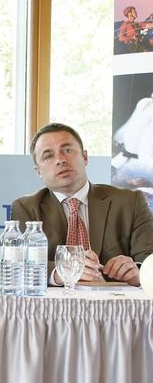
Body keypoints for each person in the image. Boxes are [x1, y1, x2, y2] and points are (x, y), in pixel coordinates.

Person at [11, 122, 153, 286]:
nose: (60, 160)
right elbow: (19, 265)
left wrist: (139, 272)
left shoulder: (130, 201)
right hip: (54, 306)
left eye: (68, 150)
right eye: (48, 156)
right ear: (38, 171)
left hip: (116, 303)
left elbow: (148, 258)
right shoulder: (26, 207)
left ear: (85, 157)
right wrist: (60, 272)